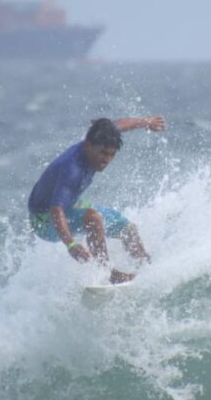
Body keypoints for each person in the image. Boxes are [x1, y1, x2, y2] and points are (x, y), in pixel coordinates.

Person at [28, 116, 166, 283]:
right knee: (93, 218)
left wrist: (147, 122)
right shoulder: (72, 169)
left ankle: (146, 266)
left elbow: (119, 125)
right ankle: (107, 273)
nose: (106, 160)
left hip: (69, 205)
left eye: (111, 154)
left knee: (127, 229)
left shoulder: (101, 137)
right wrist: (71, 245)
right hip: (44, 220)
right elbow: (56, 210)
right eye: (103, 153)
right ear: (88, 145)